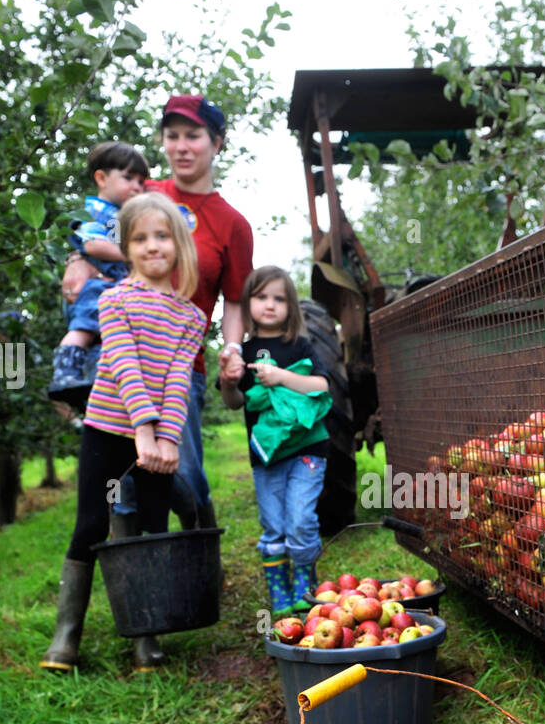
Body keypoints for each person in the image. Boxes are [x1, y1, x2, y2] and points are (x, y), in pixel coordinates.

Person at [61, 94, 253, 532]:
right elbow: (98, 238)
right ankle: (133, 588)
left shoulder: (231, 223)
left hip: (180, 365)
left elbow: (236, 302)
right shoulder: (141, 194)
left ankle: (197, 572)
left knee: (180, 476)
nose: (181, 146)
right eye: (172, 136)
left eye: (193, 136)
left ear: (216, 142)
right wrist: (78, 260)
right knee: (121, 487)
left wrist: (233, 348)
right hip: (120, 362)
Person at [41, 193, 206, 674]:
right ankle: (66, 637)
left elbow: (177, 378)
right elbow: (125, 368)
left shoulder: (190, 316)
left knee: (154, 526)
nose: (152, 247)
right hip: (110, 428)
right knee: (92, 524)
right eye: (140, 238)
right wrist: (143, 432)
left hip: (157, 436)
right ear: (125, 247)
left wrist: (168, 437)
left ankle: (145, 632)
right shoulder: (112, 301)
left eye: (161, 237)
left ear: (177, 245)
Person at [219, 267, 332, 616]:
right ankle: (279, 593)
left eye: (279, 298)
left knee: (300, 519)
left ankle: (305, 584)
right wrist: (227, 380)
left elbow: (322, 386)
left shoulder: (298, 345)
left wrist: (280, 377)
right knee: (273, 527)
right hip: (266, 456)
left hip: (306, 450)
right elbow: (234, 403)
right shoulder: (243, 352)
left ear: (291, 306)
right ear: (247, 303)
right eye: (261, 297)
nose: (270, 305)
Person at [48, 142, 148, 407]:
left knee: (104, 337)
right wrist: (132, 255)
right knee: (84, 328)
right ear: (101, 178)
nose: (136, 187)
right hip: (94, 287)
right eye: (128, 178)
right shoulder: (95, 211)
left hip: (114, 291)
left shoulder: (122, 215)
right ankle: (64, 373)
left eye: (141, 181)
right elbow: (92, 244)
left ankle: (93, 380)